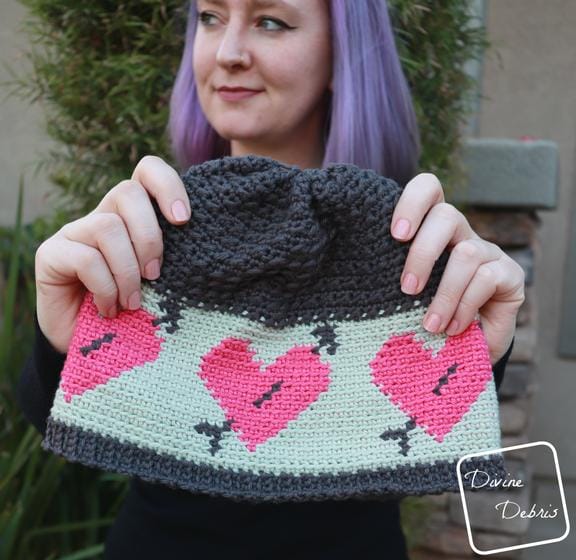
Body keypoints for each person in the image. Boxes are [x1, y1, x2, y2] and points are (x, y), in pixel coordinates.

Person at [17, 0, 525, 558]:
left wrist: (478, 350)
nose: (228, 52)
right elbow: (70, 426)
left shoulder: (413, 248)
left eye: (270, 22)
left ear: (341, 56)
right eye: (210, 17)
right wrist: (62, 336)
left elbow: (430, 449)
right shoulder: (149, 231)